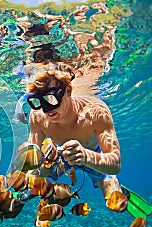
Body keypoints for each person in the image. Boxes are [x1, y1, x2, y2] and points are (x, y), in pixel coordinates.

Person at [13, 62, 150, 217]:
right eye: (37, 101)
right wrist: (27, 163)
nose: (46, 109)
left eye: (50, 99)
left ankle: (119, 189)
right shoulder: (37, 116)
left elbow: (116, 163)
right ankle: (37, 190)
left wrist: (85, 156)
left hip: (93, 154)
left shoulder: (96, 112)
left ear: (68, 90)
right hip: (57, 154)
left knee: (113, 201)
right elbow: (33, 156)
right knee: (33, 177)